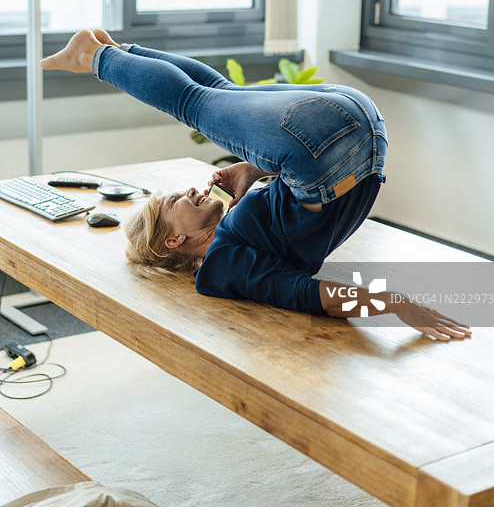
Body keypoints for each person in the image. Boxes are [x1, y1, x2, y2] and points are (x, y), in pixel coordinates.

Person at [41, 30, 471, 341]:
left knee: (216, 91)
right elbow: (308, 293)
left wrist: (251, 171)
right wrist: (394, 303)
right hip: (331, 150)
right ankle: (96, 57)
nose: (188, 191)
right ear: (175, 239)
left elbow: (290, 206)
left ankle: (117, 50)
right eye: (175, 200)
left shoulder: (238, 227)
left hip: (352, 132)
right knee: (195, 103)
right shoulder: (222, 267)